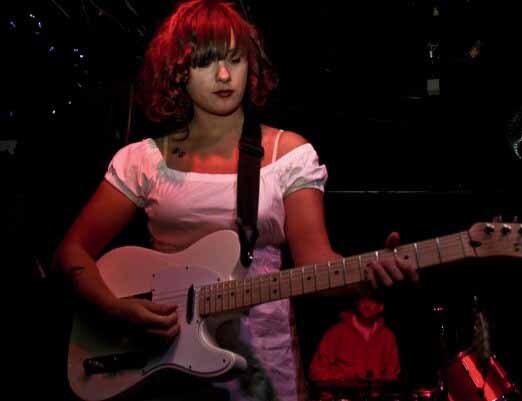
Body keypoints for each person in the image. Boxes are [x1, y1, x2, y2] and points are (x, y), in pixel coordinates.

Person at [52, 1, 419, 401]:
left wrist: (367, 274)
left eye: (235, 59)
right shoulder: (142, 161)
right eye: (205, 62)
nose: (224, 75)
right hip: (163, 369)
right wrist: (112, 307)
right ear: (178, 72)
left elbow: (315, 262)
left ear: (251, 65)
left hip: (265, 371)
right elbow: (71, 251)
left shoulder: (288, 154)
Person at [308, 291, 401, 400]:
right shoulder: (336, 332)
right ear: (357, 303)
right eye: (363, 299)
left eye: (372, 301)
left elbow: (392, 374)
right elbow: (316, 371)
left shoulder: (388, 336)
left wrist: (376, 389)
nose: (366, 305)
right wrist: (345, 380)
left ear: (381, 307)